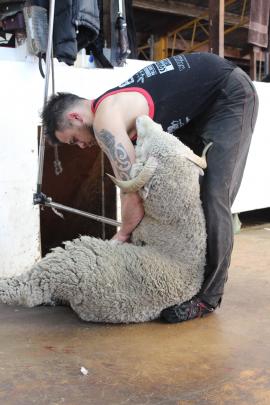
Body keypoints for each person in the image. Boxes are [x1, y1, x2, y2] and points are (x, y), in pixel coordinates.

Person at [41, 52, 259, 323]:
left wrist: (122, 236)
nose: (82, 146)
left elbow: (132, 188)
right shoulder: (114, 108)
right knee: (187, 191)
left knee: (214, 195)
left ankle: (208, 297)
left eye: (74, 140)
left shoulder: (104, 122)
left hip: (228, 94)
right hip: (198, 108)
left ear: (75, 116)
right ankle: (184, 281)